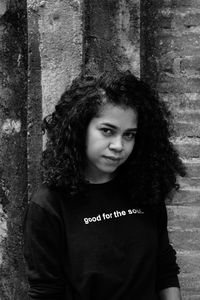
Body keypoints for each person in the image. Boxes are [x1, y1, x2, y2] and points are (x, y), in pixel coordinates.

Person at [23, 70, 186, 300]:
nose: (119, 145)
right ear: (80, 128)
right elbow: (45, 293)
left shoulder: (145, 187)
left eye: (129, 135)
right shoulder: (49, 205)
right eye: (107, 131)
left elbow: (165, 270)